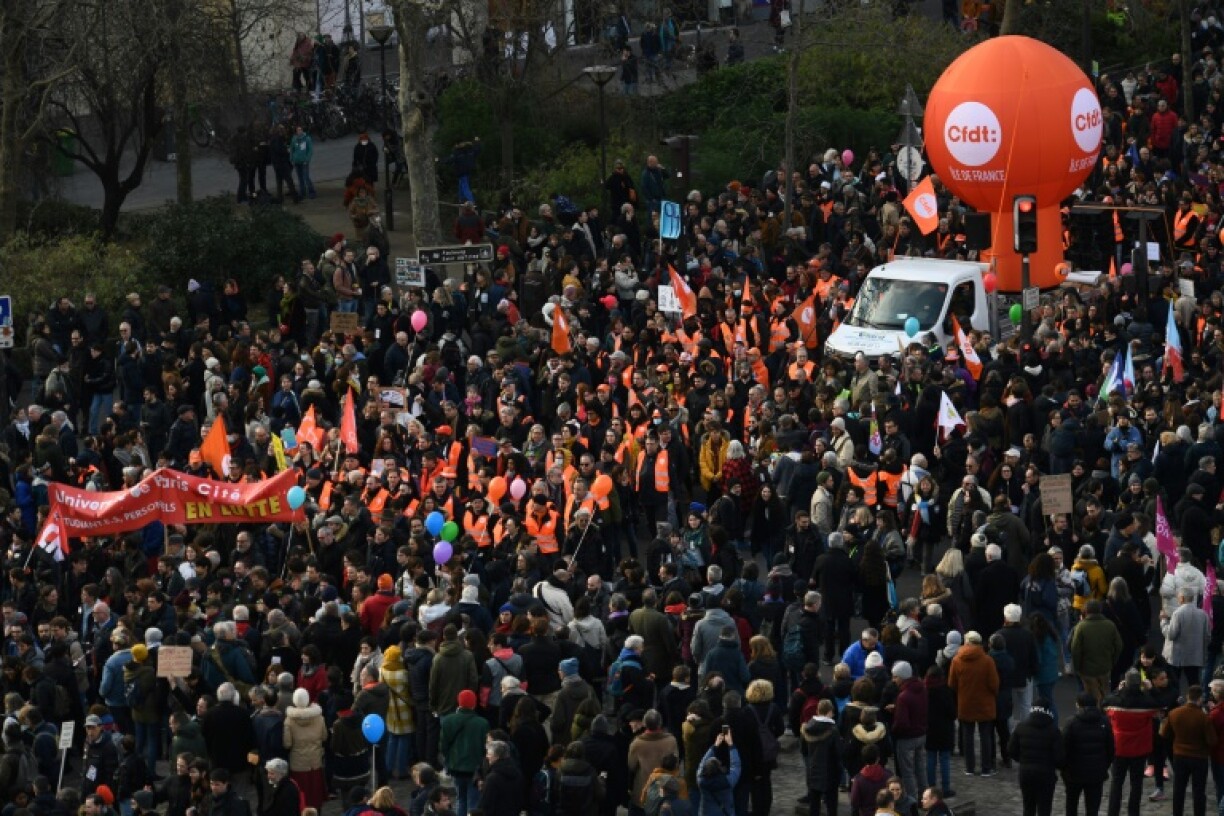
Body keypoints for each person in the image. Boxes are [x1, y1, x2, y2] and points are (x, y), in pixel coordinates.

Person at [947, 631, 998, 777]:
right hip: (985, 703)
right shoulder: (987, 661)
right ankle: (986, 768)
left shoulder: (957, 660)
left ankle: (969, 767)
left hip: (965, 702)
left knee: (967, 736)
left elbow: (951, 683)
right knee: (985, 736)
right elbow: (994, 684)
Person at [1160, 684, 1216, 816]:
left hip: (1180, 755)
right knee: (1199, 791)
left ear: (1187, 696)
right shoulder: (1203, 717)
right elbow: (1212, 740)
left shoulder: (1174, 713)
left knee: (1179, 789)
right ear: (1200, 698)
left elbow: (1164, 733)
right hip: (1199, 757)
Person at [1008, 697, 1065, 816]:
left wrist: (1023, 760)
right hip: (1046, 774)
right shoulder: (1053, 730)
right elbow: (1059, 757)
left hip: (1026, 773)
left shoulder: (1021, 727)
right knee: (1045, 808)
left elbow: (1011, 750)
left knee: (1028, 806)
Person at [1061, 693, 1115, 816]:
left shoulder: (1071, 722)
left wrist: (1064, 768)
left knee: (1071, 804)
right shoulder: (1104, 721)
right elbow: (1110, 748)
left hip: (1074, 773)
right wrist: (1104, 766)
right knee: (1093, 808)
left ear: (1078, 705)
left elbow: (1064, 748)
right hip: (1096, 773)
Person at [696, 728, 740, 816]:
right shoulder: (728, 781)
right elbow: (736, 765)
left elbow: (702, 763)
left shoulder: (701, 780)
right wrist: (731, 744)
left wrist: (715, 745)